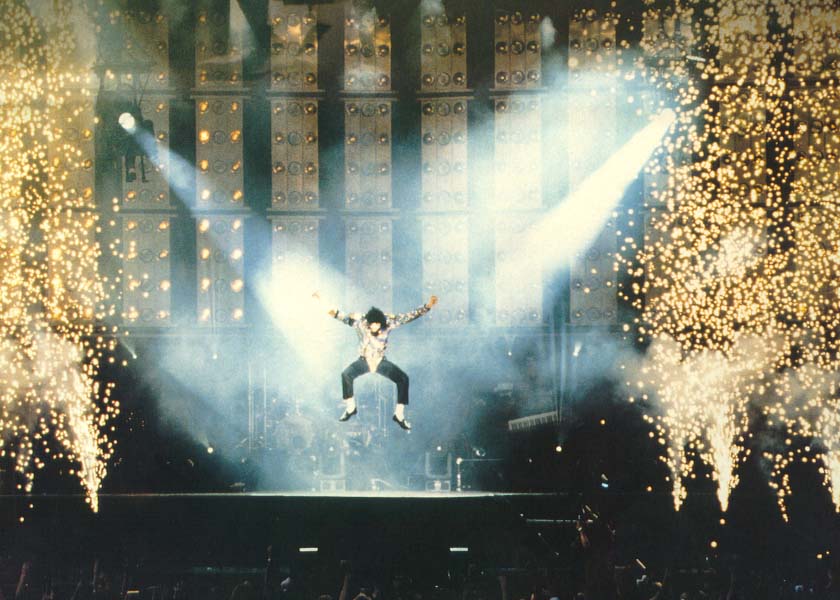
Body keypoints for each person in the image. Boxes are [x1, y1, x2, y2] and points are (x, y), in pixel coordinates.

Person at [313, 292, 438, 430]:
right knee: (346, 374)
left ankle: (399, 414)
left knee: (403, 379)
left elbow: (409, 316)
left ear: (381, 323)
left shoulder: (388, 323)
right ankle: (351, 408)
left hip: (379, 362)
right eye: (371, 325)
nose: (373, 327)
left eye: (376, 325)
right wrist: (321, 301)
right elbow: (338, 314)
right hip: (364, 361)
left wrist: (428, 306)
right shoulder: (361, 323)